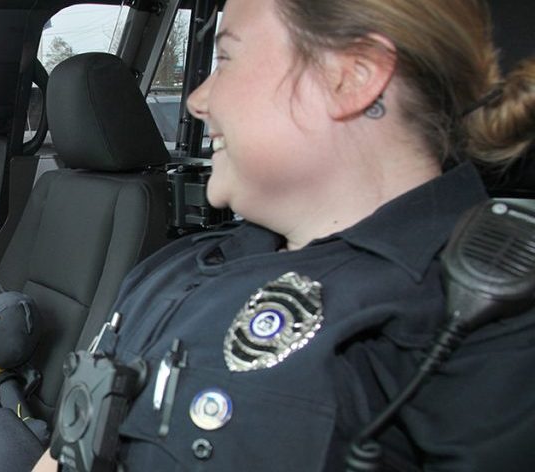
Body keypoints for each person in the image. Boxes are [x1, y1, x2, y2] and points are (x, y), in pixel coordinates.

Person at [35, 0, 535, 470]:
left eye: (226, 57)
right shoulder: (175, 265)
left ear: (350, 78)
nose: (197, 100)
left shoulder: (486, 318)